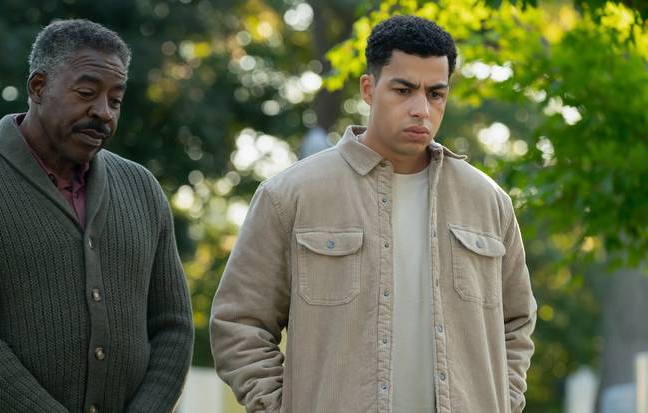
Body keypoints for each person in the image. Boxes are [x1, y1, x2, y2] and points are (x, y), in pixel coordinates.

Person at [210, 15, 536, 413]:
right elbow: (239, 322)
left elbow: (517, 323)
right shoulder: (290, 195)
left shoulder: (488, 203)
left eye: (436, 94)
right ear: (369, 88)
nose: (421, 109)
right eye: (404, 90)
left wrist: (503, 400)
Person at [0, 19, 193, 413]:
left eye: (115, 100)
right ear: (38, 87)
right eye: (86, 93)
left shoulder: (142, 188)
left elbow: (173, 326)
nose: (103, 113)